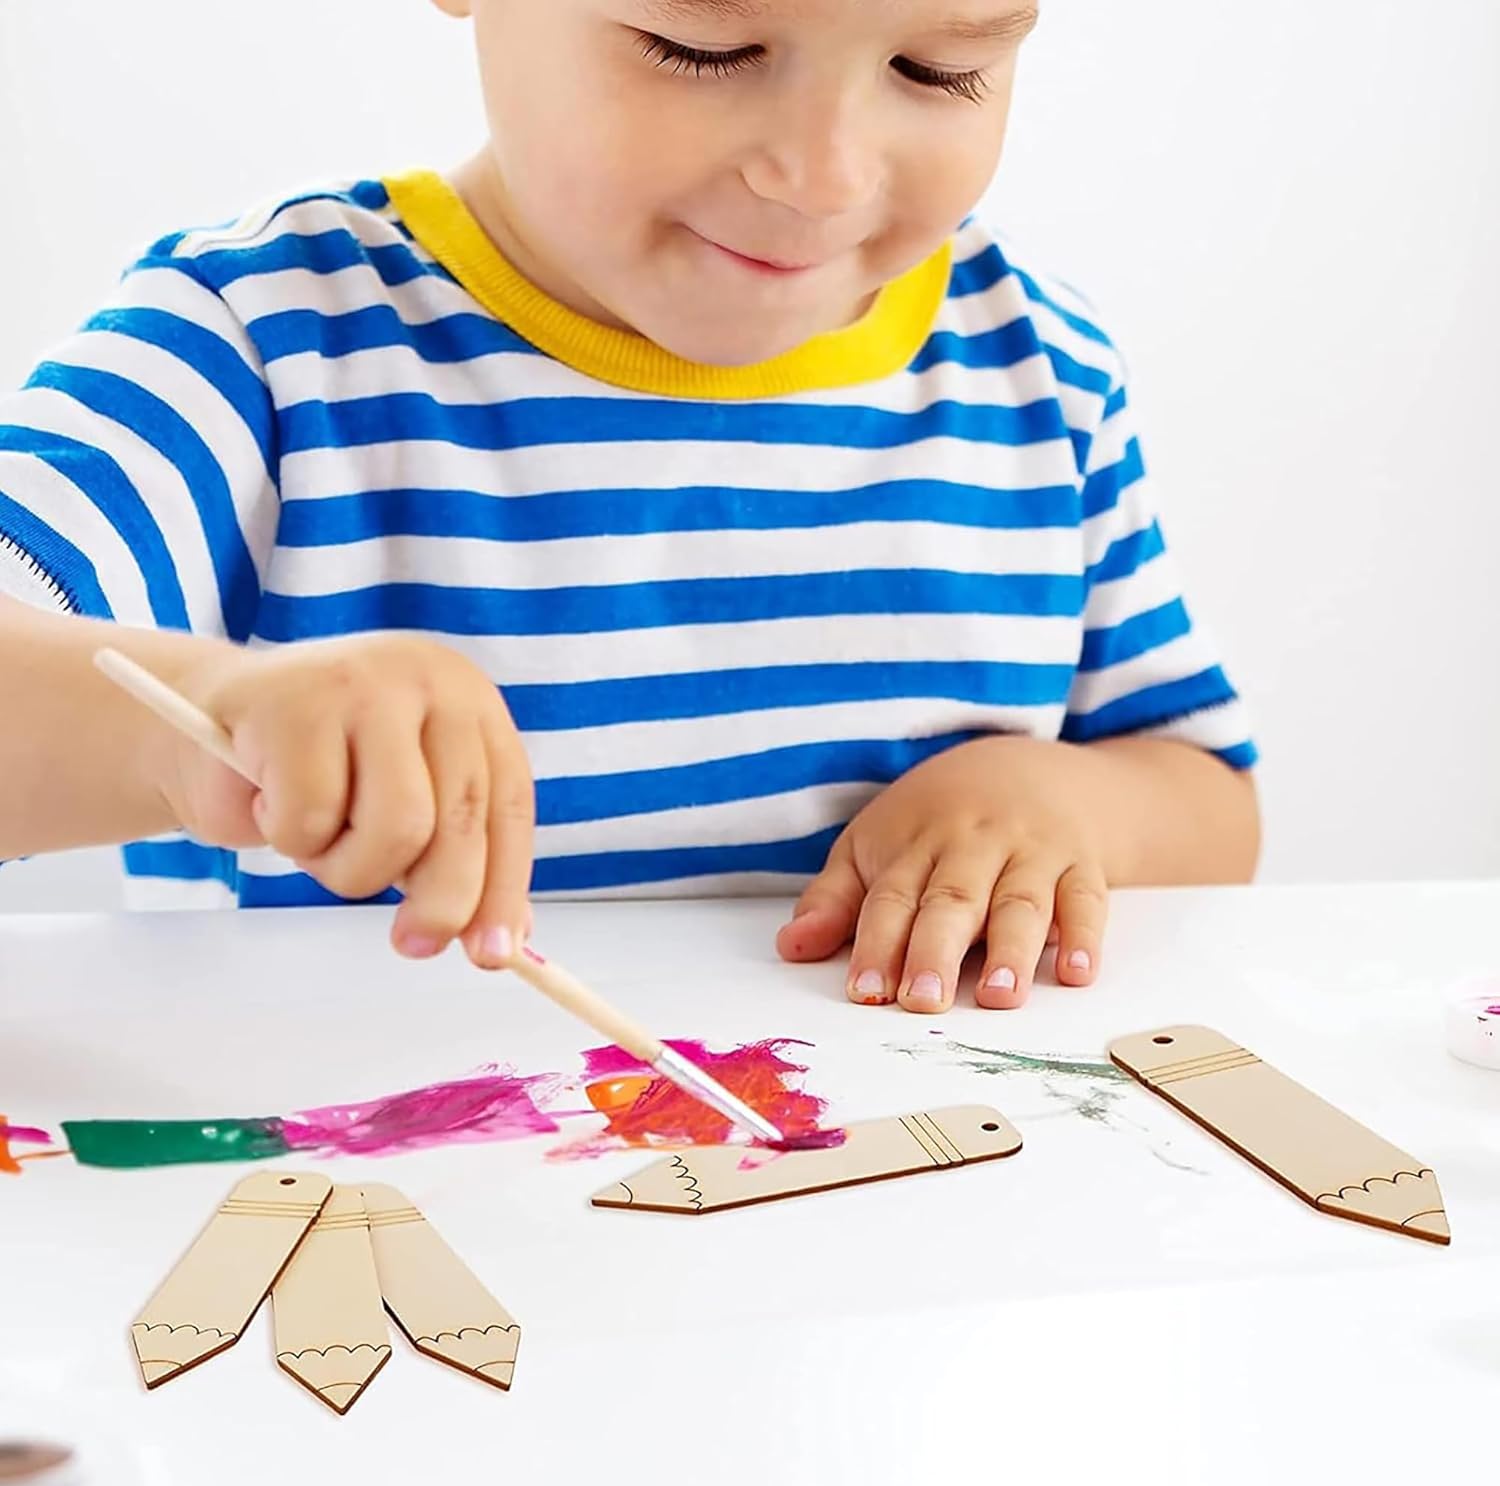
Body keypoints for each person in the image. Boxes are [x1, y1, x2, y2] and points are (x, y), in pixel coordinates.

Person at [0, 0, 1259, 1016]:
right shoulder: (267, 342)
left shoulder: (1039, 368)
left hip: (859, 1241)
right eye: (703, 48)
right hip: (374, 1217)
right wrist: (196, 731)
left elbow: (1209, 797)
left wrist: (1063, 802)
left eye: (937, 67)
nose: (821, 177)